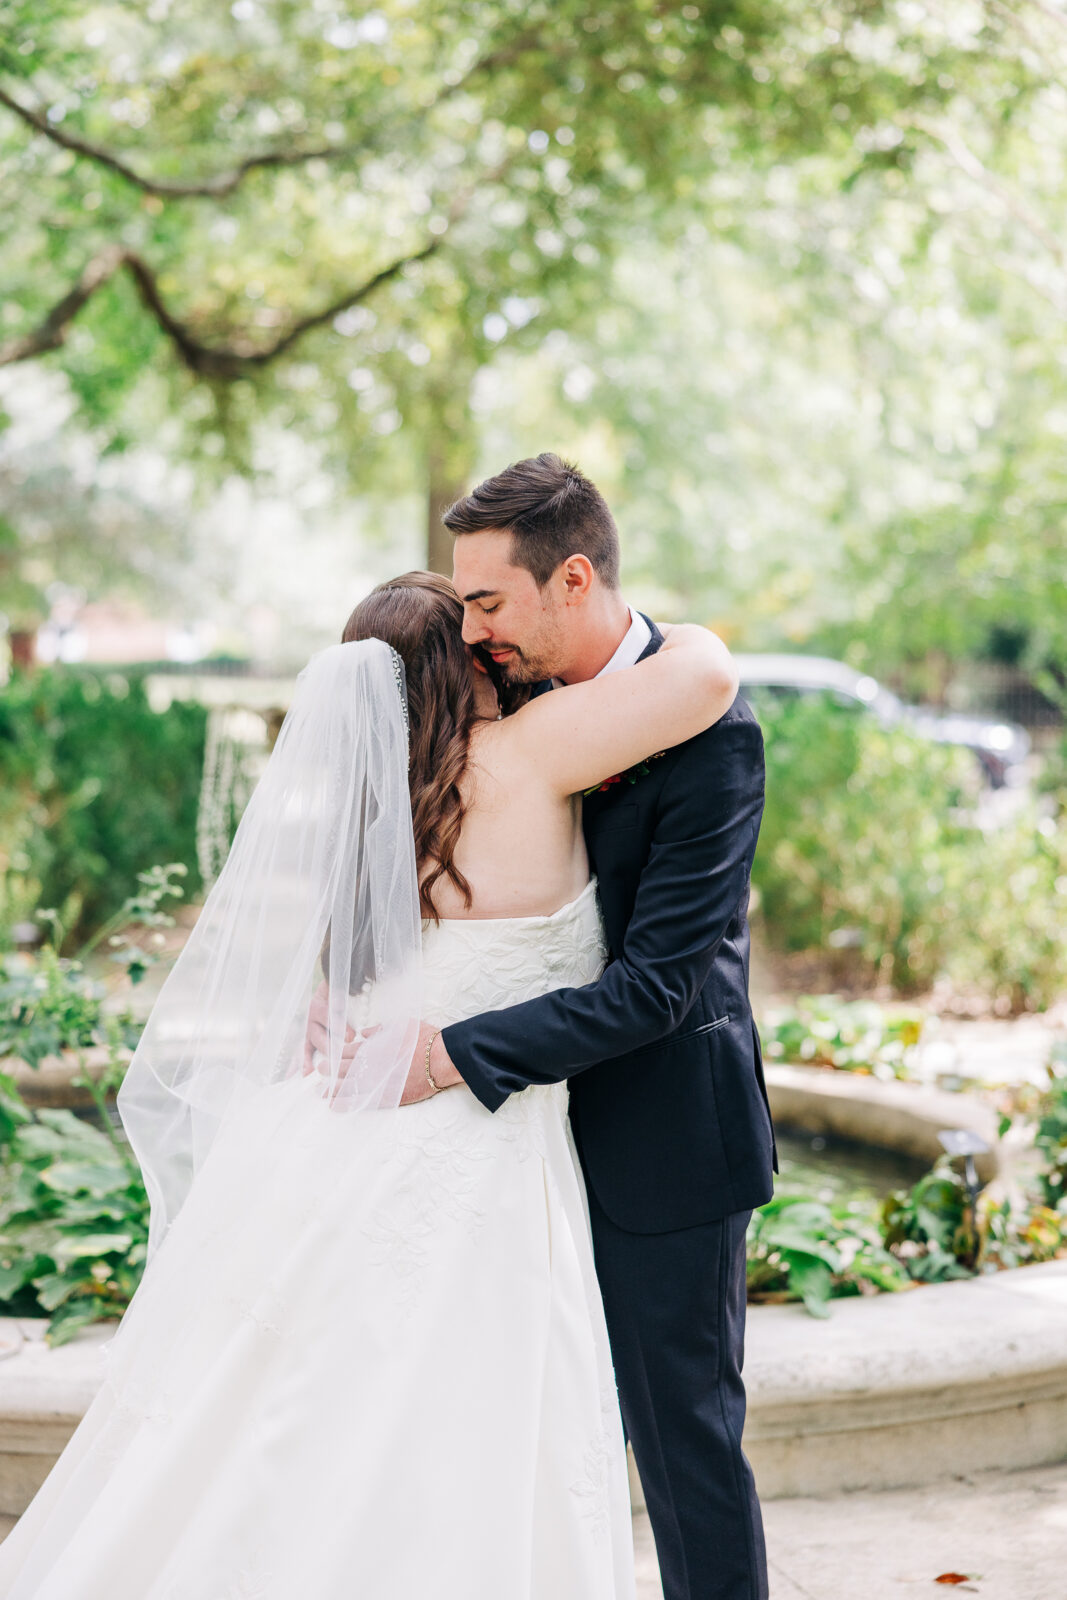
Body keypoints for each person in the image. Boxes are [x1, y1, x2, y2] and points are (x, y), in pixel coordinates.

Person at [0, 568, 738, 1600]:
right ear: (465, 664)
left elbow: (377, 973)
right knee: (457, 1429)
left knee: (290, 1419)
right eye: (479, 630)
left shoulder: (376, 798)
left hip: (334, 1134)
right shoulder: (525, 756)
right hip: (476, 1146)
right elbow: (701, 671)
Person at [393, 454, 778, 1600]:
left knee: (683, 1444)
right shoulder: (511, 693)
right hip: (517, 1162)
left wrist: (454, 1053)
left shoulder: (709, 728)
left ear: (572, 577)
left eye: (488, 600)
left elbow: (661, 985)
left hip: (661, 1136)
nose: (472, 631)